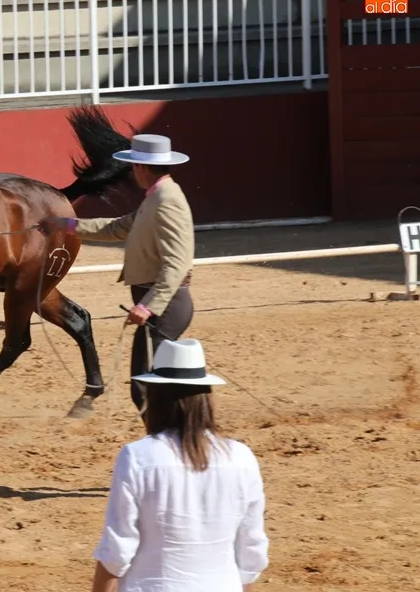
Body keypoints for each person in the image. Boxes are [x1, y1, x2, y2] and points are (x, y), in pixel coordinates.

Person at [90, 339, 269, 592]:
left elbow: (117, 551)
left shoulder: (138, 457)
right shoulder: (242, 458)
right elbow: (251, 550)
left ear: (157, 396)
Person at [38, 133, 195, 414]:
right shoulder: (157, 197)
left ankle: (173, 435)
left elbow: (178, 262)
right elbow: (118, 228)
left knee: (145, 387)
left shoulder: (167, 201)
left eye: (134, 165)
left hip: (167, 307)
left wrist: (148, 306)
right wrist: (66, 224)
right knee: (148, 385)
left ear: (142, 168)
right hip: (164, 305)